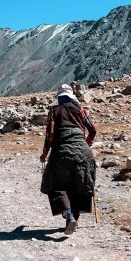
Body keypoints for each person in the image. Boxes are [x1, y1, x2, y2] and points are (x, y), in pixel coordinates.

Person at [39, 85, 96, 235]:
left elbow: (50, 135)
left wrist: (45, 153)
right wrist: (87, 143)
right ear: (72, 96)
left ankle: (68, 215)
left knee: (54, 184)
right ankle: (74, 222)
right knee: (80, 185)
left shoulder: (55, 110)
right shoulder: (80, 110)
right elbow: (93, 130)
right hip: (84, 152)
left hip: (62, 152)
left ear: (59, 97)